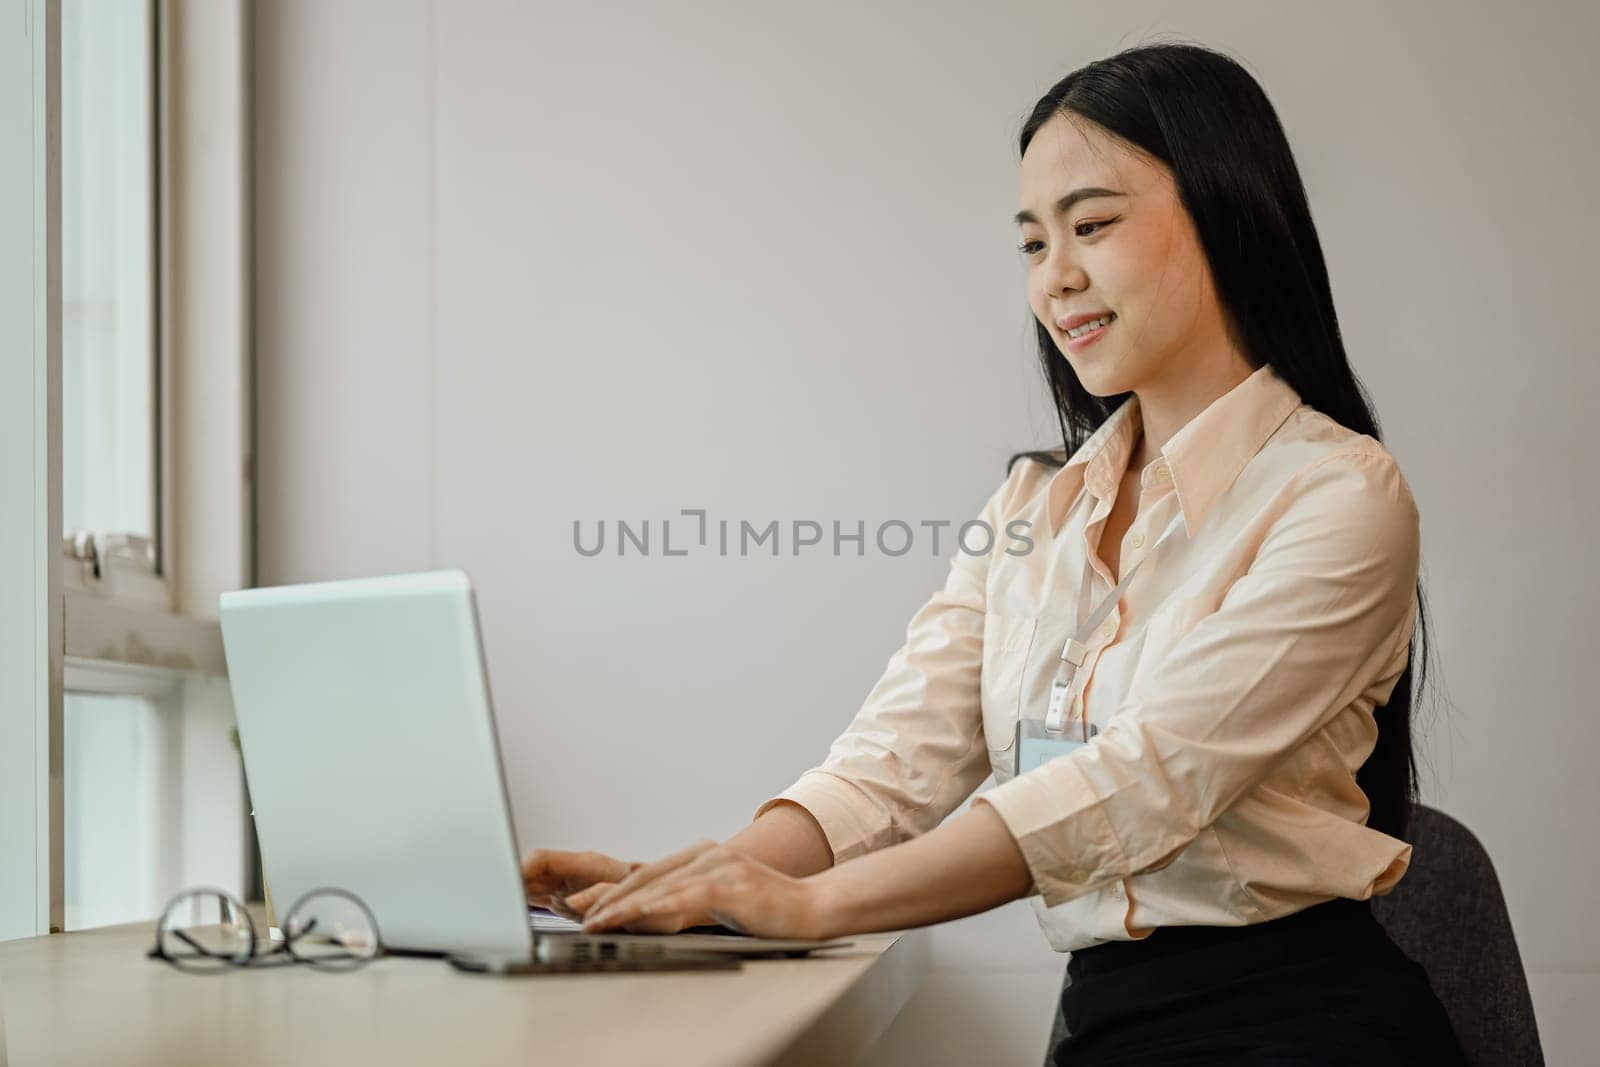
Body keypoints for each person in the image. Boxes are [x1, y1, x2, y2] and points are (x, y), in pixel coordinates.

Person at [522, 42, 1467, 1064]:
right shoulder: (1034, 505)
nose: (1056, 278)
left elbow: (1137, 779)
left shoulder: (1339, 495)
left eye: (1091, 225)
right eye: (1030, 243)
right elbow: (892, 765)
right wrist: (694, 886)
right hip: (1105, 1022)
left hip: (1299, 1025)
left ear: (1226, 212)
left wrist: (807, 905)